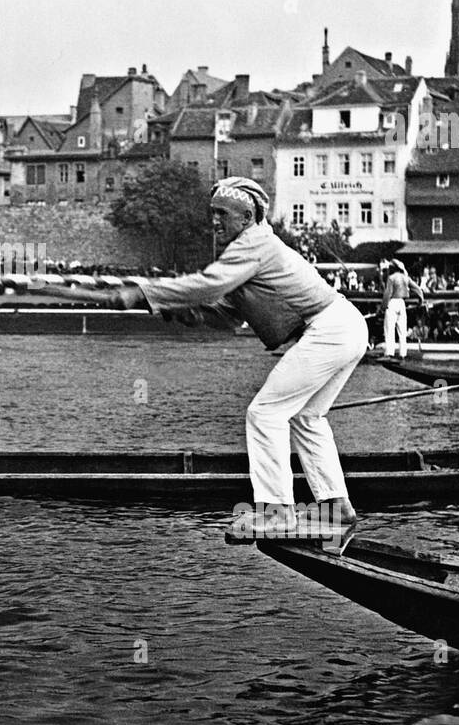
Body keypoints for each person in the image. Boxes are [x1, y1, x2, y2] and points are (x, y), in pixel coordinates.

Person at [105, 177, 366, 545]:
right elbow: (224, 313)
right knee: (307, 416)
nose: (214, 221)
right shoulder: (246, 252)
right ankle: (337, 509)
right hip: (344, 327)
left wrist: (145, 293)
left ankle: (277, 515)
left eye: (222, 214)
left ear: (246, 217)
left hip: (329, 329)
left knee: (265, 414)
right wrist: (185, 311)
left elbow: (210, 285)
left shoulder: (254, 242)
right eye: (212, 213)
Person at [380, 259, 425, 360]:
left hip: (392, 303)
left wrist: (383, 307)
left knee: (389, 330)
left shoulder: (391, 278)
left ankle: (389, 353)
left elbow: (388, 293)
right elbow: (418, 289)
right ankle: (402, 354)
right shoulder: (406, 278)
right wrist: (421, 300)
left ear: (393, 268)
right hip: (402, 303)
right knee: (402, 331)